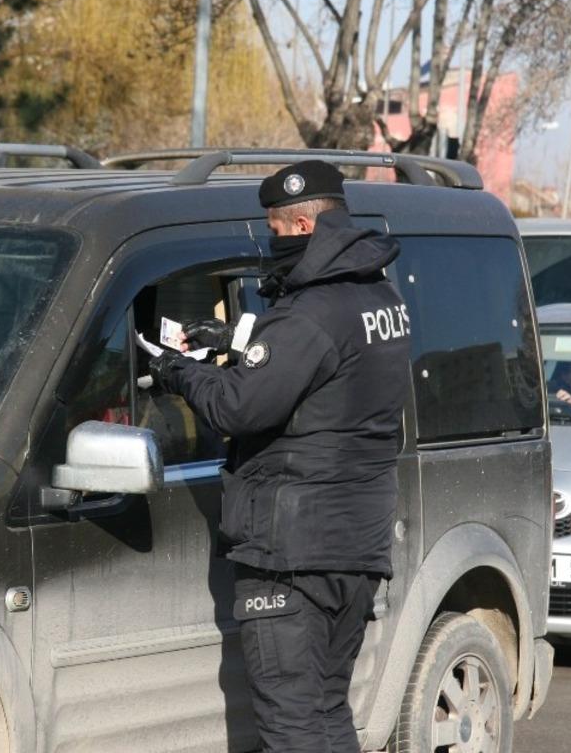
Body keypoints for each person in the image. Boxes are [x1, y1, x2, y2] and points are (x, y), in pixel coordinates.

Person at [147, 160, 411, 752]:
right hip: (357, 548)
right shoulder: (378, 294)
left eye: (273, 229)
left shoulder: (310, 311)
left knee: (291, 724)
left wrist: (176, 369)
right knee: (326, 710)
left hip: (292, 551)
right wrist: (236, 339)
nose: (271, 242)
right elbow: (321, 369)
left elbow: (239, 409)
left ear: (298, 225)